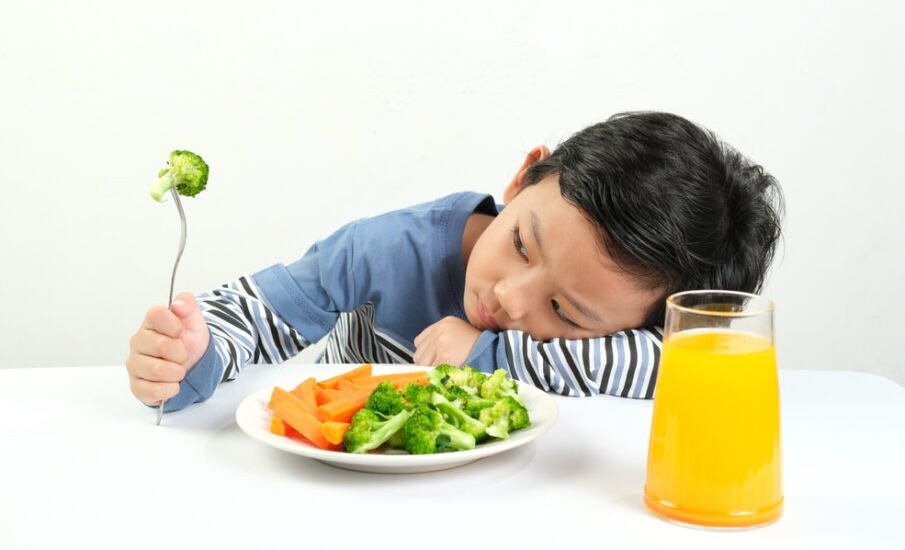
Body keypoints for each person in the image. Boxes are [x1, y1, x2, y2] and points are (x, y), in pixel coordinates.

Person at [126, 111, 784, 412]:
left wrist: (487, 356)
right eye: (521, 245)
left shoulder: (654, 328)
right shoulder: (386, 250)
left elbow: (691, 366)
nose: (510, 298)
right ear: (523, 178)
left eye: (564, 311)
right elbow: (252, 314)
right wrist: (191, 355)